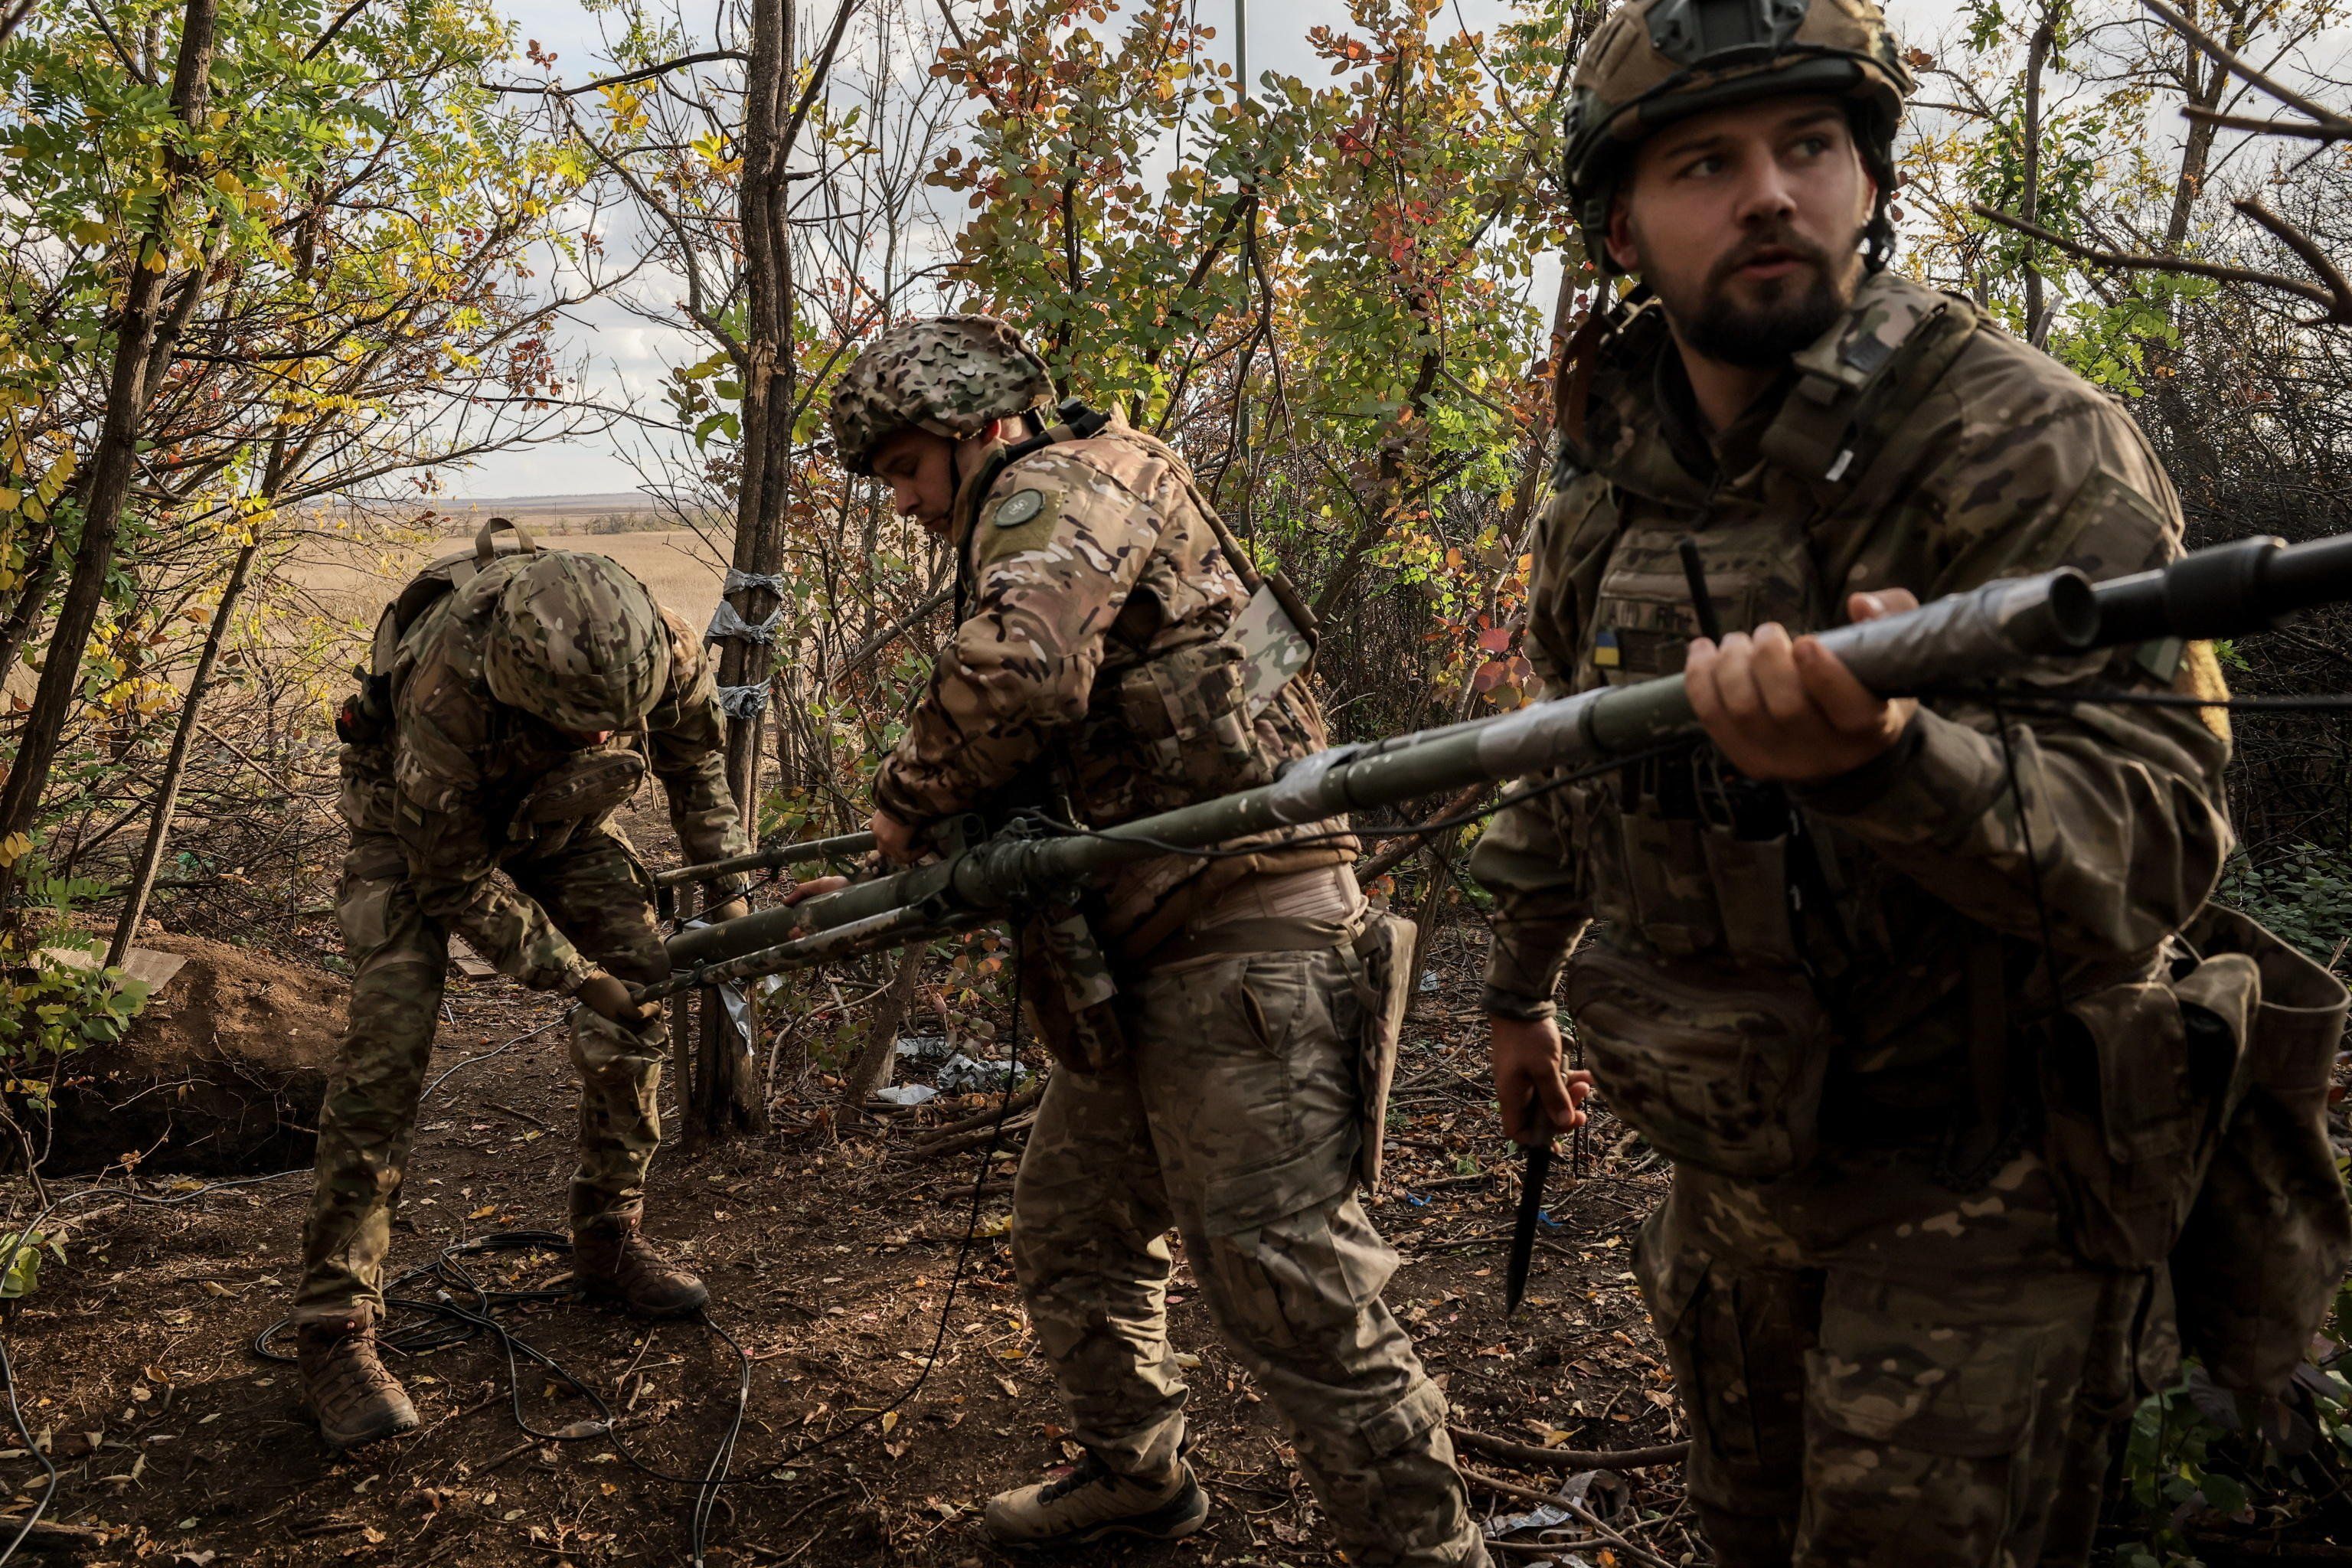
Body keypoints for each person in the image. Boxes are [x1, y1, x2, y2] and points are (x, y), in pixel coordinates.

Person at [1468, 1, 2238, 1562]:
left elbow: (2162, 847)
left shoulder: (2028, 446)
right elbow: (1572, 761)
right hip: (1737, 1178)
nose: (1770, 193)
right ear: (1621, 223)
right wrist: (1515, 992)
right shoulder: (1611, 485)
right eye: (1706, 162)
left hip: (1991, 1188)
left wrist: (1893, 764)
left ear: (1871, 179)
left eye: (1810, 145)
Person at [810, 315, 1492, 1565]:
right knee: (1073, 1225)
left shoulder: (1057, 482)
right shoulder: (1079, 483)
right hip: (1159, 946)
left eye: (908, 467)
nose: (905, 501)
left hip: (1244, 943)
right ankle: (1135, 1473)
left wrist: (907, 795)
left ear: (981, 431)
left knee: (1298, 1300)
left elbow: (1020, 670)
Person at [290, 524, 752, 1449]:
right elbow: (451, 880)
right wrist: (577, 980)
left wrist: (731, 888)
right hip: (417, 833)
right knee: (388, 1043)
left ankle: (608, 1236)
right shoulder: (446, 690)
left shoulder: (662, 643)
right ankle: (335, 1325)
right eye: (574, 720)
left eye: (606, 722)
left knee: (647, 982)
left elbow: (698, 761)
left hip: (562, 818)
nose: (596, 732)